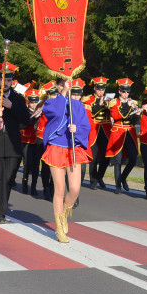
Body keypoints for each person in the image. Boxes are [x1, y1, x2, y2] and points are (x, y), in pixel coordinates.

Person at [41, 77, 92, 243]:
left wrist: (77, 129)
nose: (67, 87)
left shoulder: (78, 105)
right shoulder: (52, 102)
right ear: (58, 85)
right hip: (56, 147)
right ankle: (59, 225)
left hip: (73, 147)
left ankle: (64, 212)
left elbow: (86, 126)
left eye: (68, 84)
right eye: (62, 84)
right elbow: (53, 113)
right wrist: (63, 93)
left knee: (75, 189)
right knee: (60, 188)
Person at [0, 63, 30, 223]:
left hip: (13, 145)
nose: (6, 83)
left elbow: (26, 120)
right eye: (3, 79)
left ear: (12, 82)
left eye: (9, 80)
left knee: (8, 179)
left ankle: (3, 210)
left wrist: (12, 107)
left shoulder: (18, 99)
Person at [84, 77, 113, 189]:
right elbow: (90, 114)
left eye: (103, 89)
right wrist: (100, 104)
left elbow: (113, 114)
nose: (101, 91)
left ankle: (99, 176)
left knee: (107, 156)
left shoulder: (108, 99)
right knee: (94, 156)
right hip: (93, 130)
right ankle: (93, 180)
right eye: (99, 89)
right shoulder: (89, 99)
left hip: (105, 130)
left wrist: (109, 105)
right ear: (95, 88)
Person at [19, 87, 43, 195]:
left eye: (35, 102)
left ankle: (33, 187)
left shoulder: (41, 111)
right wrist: (34, 117)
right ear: (28, 101)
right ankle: (25, 183)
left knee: (36, 165)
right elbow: (25, 123)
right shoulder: (24, 111)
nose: (33, 104)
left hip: (37, 140)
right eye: (31, 102)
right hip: (27, 140)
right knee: (27, 164)